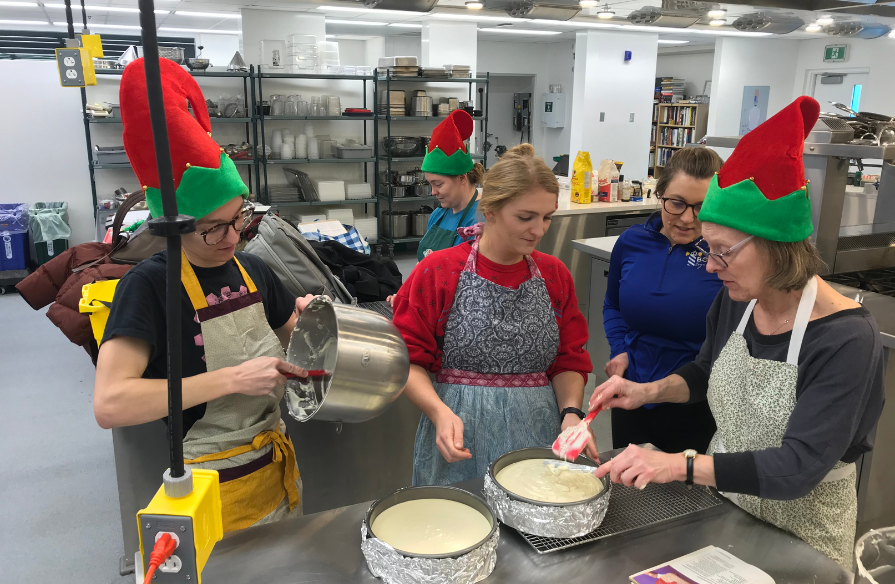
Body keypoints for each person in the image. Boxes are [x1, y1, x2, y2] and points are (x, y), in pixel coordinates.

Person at [590, 97, 885, 568]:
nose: (710, 265)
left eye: (723, 251)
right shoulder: (735, 302)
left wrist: (677, 464)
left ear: (775, 244)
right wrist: (646, 390)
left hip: (803, 539)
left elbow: (797, 468)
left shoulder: (846, 338)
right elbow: (705, 372)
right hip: (725, 509)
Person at [93, 59, 311, 533]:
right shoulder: (149, 287)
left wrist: (316, 322)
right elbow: (111, 403)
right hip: (206, 484)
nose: (232, 237)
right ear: (172, 229)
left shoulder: (253, 270)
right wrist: (231, 379)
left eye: (240, 219)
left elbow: (295, 344)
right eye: (212, 229)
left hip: (271, 466)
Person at [392, 143, 594, 486]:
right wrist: (438, 412)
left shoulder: (555, 275)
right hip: (458, 434)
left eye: (547, 217)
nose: (539, 230)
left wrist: (572, 414)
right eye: (526, 217)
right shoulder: (438, 272)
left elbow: (568, 359)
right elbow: (407, 360)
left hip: (538, 431)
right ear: (491, 210)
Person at [603, 148, 724, 454]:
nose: (687, 218)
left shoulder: (723, 254)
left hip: (697, 397)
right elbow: (613, 305)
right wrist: (620, 350)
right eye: (676, 203)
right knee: (627, 484)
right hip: (632, 392)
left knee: (688, 496)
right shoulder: (632, 242)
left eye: (702, 207)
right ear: (659, 195)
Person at [416, 110, 484, 261]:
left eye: (438, 184)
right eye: (430, 184)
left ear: (462, 178)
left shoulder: (479, 222)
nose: (433, 192)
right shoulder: (439, 214)